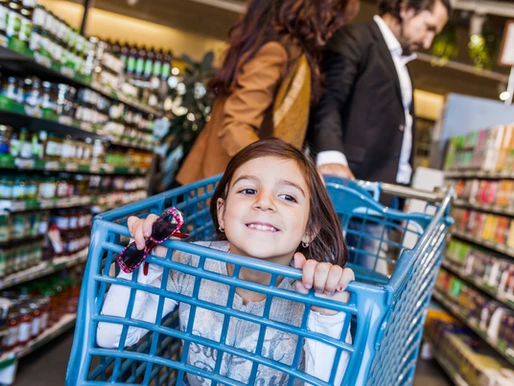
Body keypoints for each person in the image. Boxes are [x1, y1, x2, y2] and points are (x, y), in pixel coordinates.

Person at [97, 138, 355, 385]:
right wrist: (147, 256)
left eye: (287, 197)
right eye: (249, 190)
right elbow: (111, 336)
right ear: (221, 212)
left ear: (310, 229)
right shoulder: (191, 265)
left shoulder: (313, 294)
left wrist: (328, 317)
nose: (264, 202)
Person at [306, 0, 450, 273]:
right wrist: (330, 155)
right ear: (406, 8)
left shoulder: (401, 63)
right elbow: (328, 100)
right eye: (428, 28)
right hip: (348, 189)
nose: (428, 41)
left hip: (380, 196)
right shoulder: (356, 38)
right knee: (332, 279)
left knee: (362, 282)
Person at [175, 0, 358, 186]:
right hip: (219, 187)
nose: (335, 24)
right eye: (333, 12)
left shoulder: (276, 47)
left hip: (218, 181)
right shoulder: (276, 51)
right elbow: (236, 126)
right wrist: (286, 169)